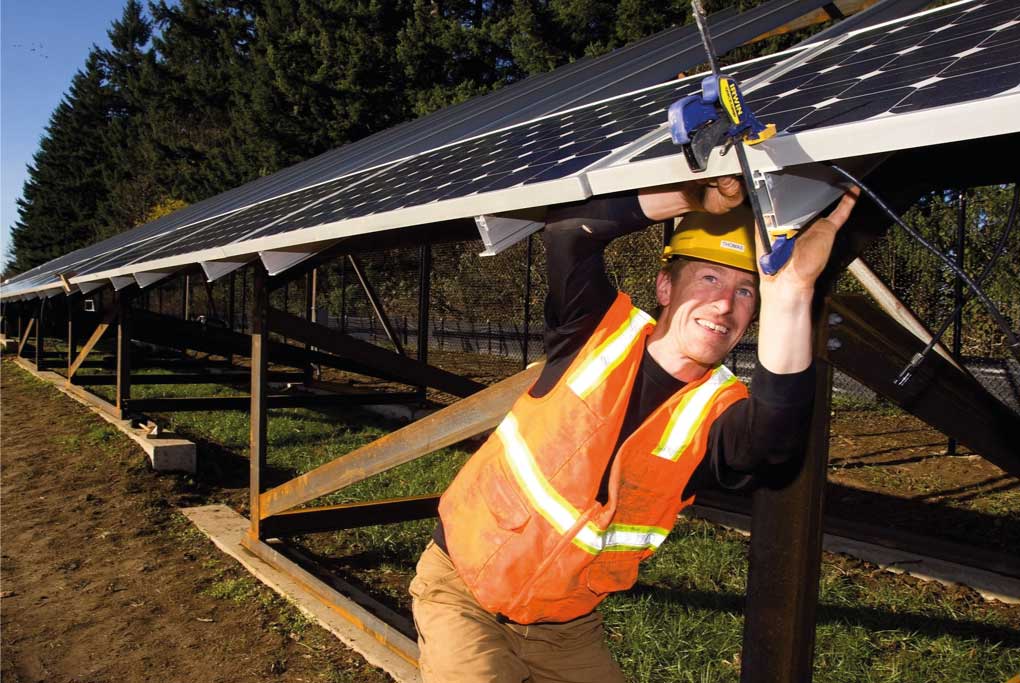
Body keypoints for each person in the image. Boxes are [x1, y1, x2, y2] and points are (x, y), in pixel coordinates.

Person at [410, 176, 859, 682]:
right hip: (463, 590)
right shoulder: (595, 331)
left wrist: (793, 294)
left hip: (565, 626)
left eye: (746, 291)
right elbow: (569, 231)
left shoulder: (721, 411)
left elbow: (775, 444)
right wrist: (696, 197)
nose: (724, 305)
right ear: (665, 285)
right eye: (708, 278)